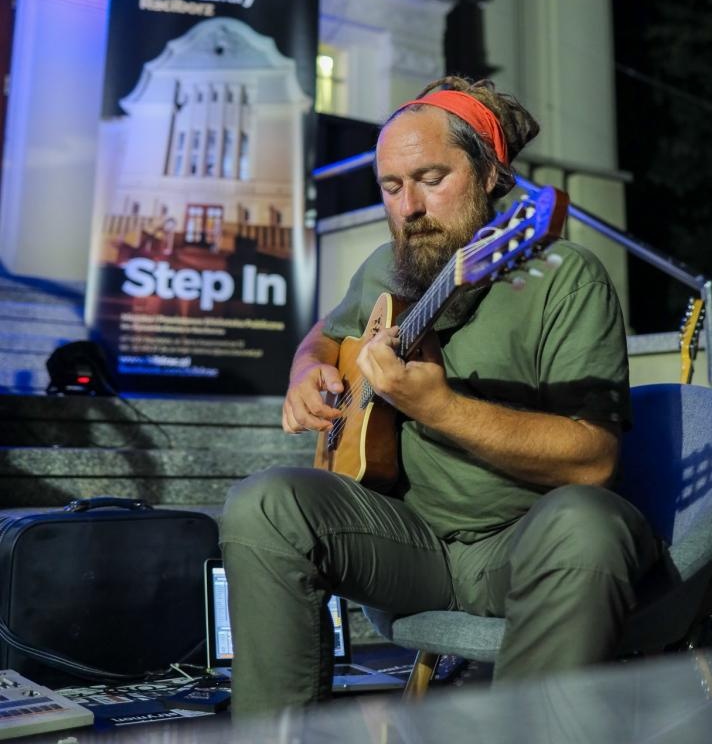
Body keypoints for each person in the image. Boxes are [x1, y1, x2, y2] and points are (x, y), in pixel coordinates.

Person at [220, 76, 661, 718]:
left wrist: (438, 407)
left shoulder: (566, 283)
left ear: (489, 175)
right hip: (411, 545)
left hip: (520, 546)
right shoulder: (387, 265)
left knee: (593, 526)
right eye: (392, 188)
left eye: (431, 177)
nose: (410, 207)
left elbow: (593, 459)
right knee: (262, 502)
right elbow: (325, 333)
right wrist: (305, 371)